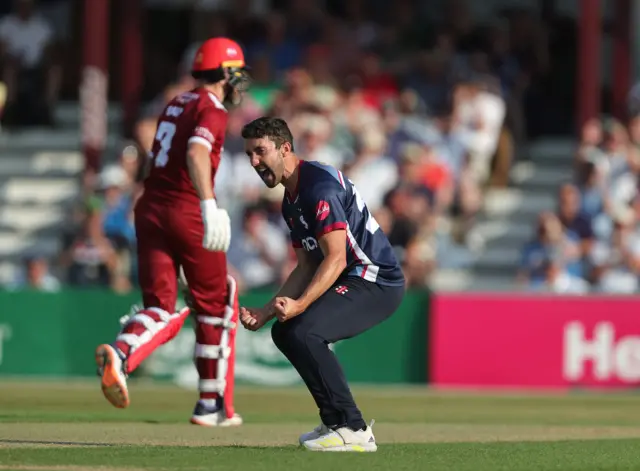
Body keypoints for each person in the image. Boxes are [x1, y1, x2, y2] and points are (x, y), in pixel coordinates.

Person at [94, 37, 251, 427]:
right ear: (225, 74)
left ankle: (123, 350)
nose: (239, 84)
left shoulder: (176, 102)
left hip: (150, 206)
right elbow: (197, 152)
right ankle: (212, 405)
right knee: (218, 301)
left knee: (160, 305)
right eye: (237, 75)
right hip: (186, 209)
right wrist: (208, 203)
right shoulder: (212, 110)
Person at [239, 117, 405, 452]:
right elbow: (305, 266)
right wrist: (267, 311)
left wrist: (299, 305)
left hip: (376, 280)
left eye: (260, 151)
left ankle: (354, 428)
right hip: (352, 277)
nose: (254, 162)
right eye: (249, 155)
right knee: (284, 331)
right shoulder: (291, 199)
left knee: (305, 331)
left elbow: (336, 260)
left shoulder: (318, 186)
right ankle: (335, 420)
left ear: (285, 148)